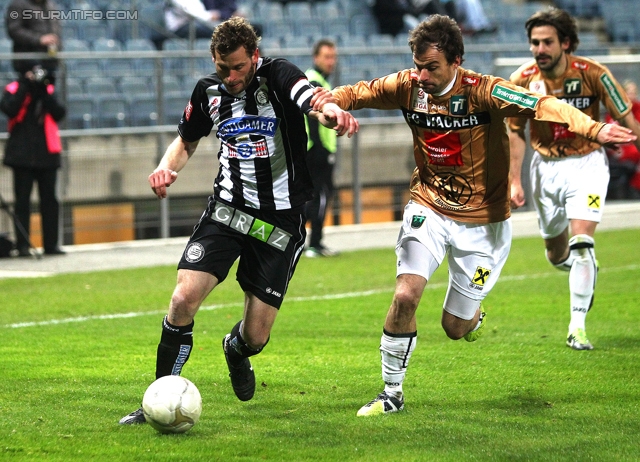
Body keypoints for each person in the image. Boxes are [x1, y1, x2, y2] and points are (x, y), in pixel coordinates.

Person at [311, 14, 636, 416]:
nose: (422, 75)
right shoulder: (407, 87)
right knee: (405, 293)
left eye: (432, 67)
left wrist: (593, 128)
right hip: (427, 205)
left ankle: (473, 315)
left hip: (484, 224)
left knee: (455, 327)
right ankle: (391, 393)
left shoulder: (487, 92)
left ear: (456, 61)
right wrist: (327, 108)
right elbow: (350, 93)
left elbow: (543, 104)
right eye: (418, 66)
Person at [119, 17, 358, 425]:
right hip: (227, 211)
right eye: (222, 67)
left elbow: (309, 98)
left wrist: (330, 110)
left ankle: (235, 348)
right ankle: (158, 396)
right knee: (182, 299)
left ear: (255, 58)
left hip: (279, 222)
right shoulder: (207, 92)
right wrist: (167, 167)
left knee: (256, 336)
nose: (230, 77)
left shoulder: (278, 75)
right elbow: (188, 138)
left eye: (238, 68)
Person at [508, 8, 640, 351]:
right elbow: (514, 132)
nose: (540, 49)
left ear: (565, 42)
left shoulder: (594, 74)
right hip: (544, 170)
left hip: (587, 165)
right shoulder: (521, 79)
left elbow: (627, 121)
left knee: (582, 243)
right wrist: (514, 180)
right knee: (556, 254)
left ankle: (576, 328)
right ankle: (585, 271)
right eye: (535, 42)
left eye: (547, 42)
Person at [1, 65, 66, 257]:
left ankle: (51, 245)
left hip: (47, 153)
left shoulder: (48, 90)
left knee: (50, 201)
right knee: (22, 202)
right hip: (22, 155)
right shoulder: (13, 89)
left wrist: (43, 90)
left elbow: (59, 112)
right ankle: (22, 246)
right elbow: (10, 109)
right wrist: (25, 86)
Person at [304, 39, 339, 258]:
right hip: (315, 150)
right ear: (316, 58)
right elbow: (312, 118)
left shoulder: (320, 82)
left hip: (315, 149)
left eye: (333, 57)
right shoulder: (314, 81)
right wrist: (320, 149)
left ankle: (305, 240)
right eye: (327, 57)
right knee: (321, 195)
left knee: (315, 195)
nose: (331, 61)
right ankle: (314, 243)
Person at [5, 0, 62, 75]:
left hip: (49, 61)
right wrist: (39, 39)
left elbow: (55, 29)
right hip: (28, 60)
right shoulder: (18, 4)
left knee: (48, 84)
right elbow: (14, 30)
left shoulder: (50, 5)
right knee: (31, 85)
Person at [605, 80, 640, 199]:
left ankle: (635, 188)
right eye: (629, 92)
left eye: (634, 92)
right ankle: (635, 187)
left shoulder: (638, 109)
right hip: (620, 148)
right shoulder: (615, 109)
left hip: (634, 146)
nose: (632, 95)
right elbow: (611, 134)